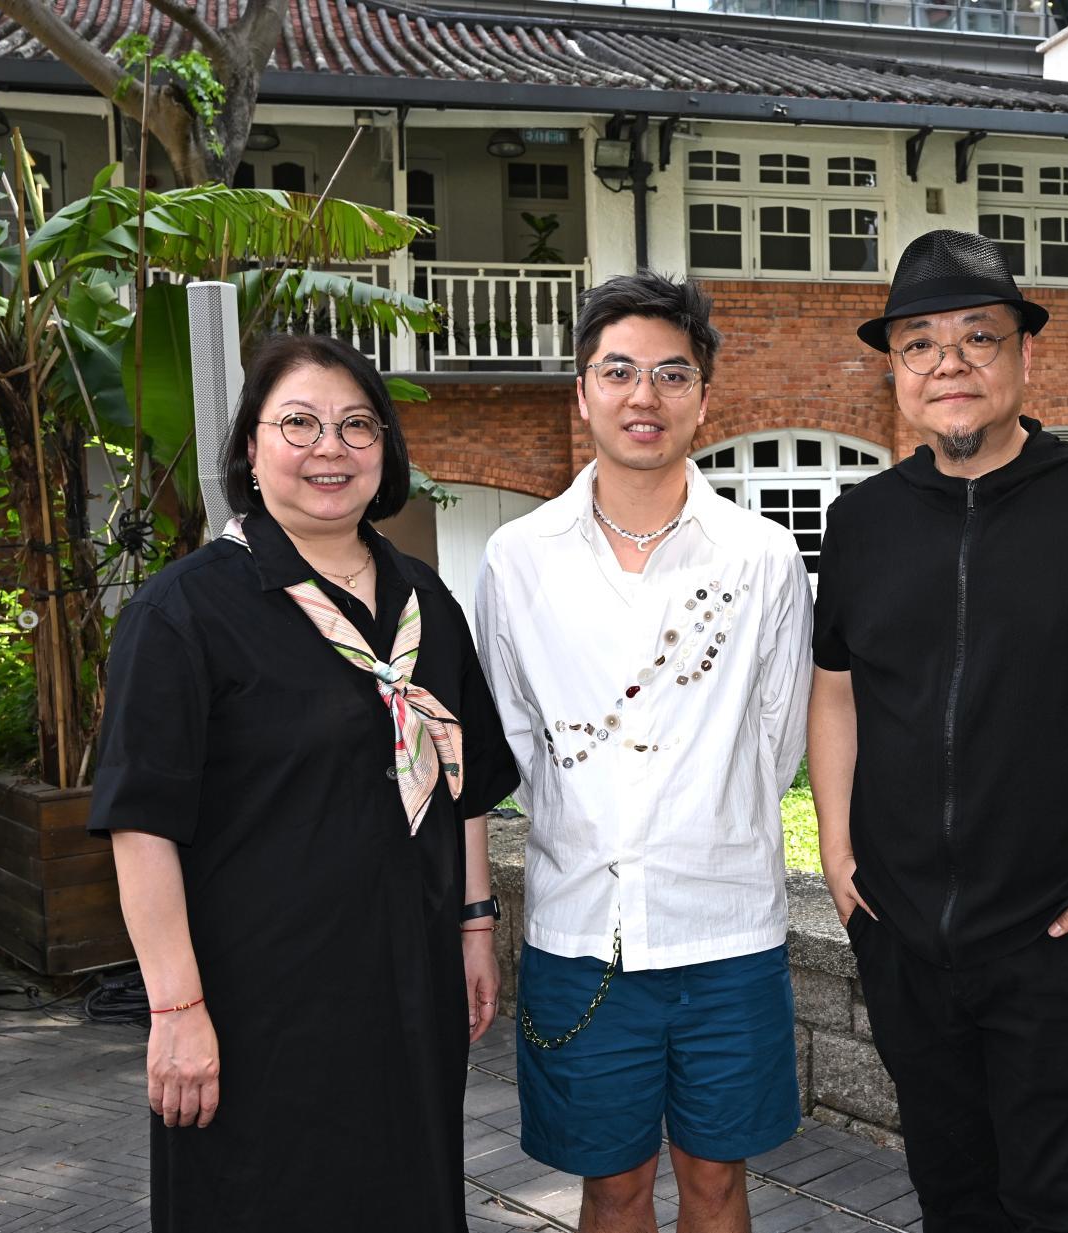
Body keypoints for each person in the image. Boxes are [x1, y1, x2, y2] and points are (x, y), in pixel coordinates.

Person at [807, 229, 1068, 1233]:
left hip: (1057, 935)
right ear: (894, 370)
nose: (948, 363)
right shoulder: (860, 522)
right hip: (900, 934)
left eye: (975, 338)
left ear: (1024, 356)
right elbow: (836, 690)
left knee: (1059, 1206)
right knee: (952, 1196)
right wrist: (839, 848)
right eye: (919, 344)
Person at [88, 333, 519, 1230]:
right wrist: (174, 1008)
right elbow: (142, 825)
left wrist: (476, 924)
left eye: (357, 425)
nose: (331, 447)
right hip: (256, 1008)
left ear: (386, 451)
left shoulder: (424, 600)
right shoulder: (184, 613)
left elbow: (463, 777)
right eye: (300, 423)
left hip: (405, 995)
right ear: (250, 447)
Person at [475, 270, 812, 1232]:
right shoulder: (519, 556)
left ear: (704, 398)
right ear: (581, 391)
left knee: (717, 1181)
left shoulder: (761, 557)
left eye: (671, 374)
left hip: (728, 933)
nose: (643, 396)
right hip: (580, 935)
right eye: (617, 370)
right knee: (612, 1187)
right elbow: (513, 736)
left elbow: (776, 734)